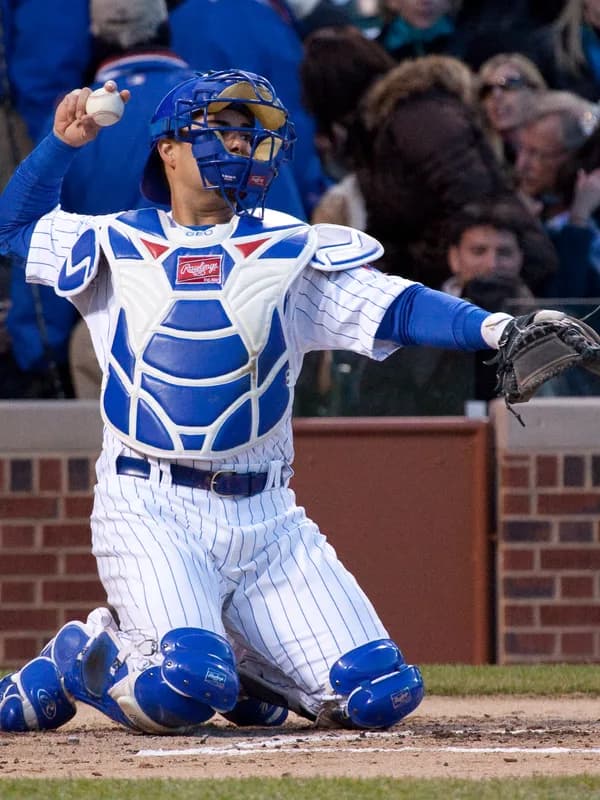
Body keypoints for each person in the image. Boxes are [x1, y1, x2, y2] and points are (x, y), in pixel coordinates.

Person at [0, 69, 524, 735]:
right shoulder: (114, 241)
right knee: (179, 691)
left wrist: (498, 329)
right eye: (223, 129)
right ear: (168, 148)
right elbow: (15, 228)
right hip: (149, 506)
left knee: (379, 694)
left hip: (268, 519)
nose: (241, 145)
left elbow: (397, 306)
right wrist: (61, 146)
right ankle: (84, 654)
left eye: (250, 134)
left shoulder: (288, 248)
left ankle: (246, 671)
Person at [514, 89, 600, 297]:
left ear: (576, 157)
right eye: (521, 150)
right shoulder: (519, 209)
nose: (521, 165)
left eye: (537, 154)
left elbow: (571, 301)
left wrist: (578, 221)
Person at [477, 53, 547, 171]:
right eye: (487, 90)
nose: (496, 95)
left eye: (509, 85)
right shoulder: (480, 157)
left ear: (534, 91)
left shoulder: (559, 144)